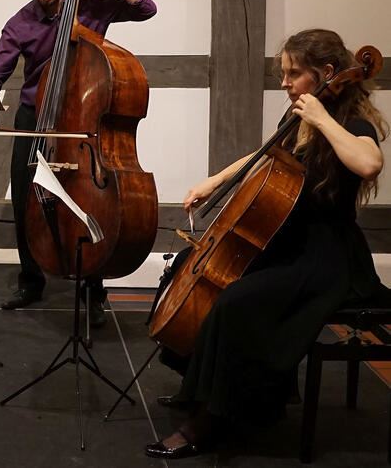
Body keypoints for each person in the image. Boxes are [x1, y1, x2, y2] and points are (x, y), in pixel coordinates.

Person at [146, 29, 388, 459]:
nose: (285, 83)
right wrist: (215, 180)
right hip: (288, 243)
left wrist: (323, 119)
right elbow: (263, 156)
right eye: (284, 74)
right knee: (189, 263)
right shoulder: (295, 118)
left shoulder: (351, 122)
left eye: (294, 74)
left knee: (236, 301)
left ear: (326, 72)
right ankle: (201, 388)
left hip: (325, 257)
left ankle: (213, 419)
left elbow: (369, 163)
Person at [0, 0, 158, 326]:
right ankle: (31, 281)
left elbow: (145, 8)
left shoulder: (92, 2)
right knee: (25, 200)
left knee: (88, 202)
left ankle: (93, 291)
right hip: (35, 117)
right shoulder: (21, 22)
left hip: (83, 119)